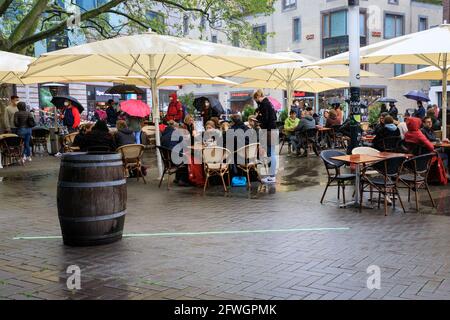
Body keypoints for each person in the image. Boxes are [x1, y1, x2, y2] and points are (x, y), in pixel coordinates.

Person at [254, 89, 278, 184]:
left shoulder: (264, 104)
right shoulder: (269, 103)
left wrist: (259, 122)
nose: (256, 101)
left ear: (257, 97)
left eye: (256, 99)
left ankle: (272, 176)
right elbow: (274, 117)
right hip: (273, 129)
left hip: (268, 131)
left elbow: (266, 119)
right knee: (271, 153)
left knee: (270, 154)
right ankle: (272, 176)